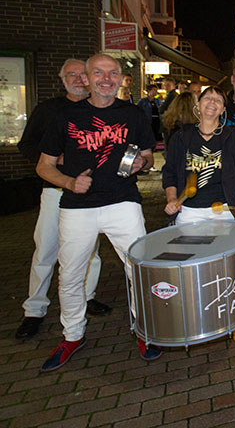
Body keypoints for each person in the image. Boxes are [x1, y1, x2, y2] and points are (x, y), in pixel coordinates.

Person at [37, 53, 159, 371]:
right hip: (78, 207)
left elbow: (149, 157)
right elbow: (44, 166)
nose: (106, 79)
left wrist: (142, 163)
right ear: (86, 78)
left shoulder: (133, 114)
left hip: (123, 202)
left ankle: (146, 331)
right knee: (71, 275)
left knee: (140, 269)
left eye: (113, 73)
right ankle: (72, 336)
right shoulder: (65, 115)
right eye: (99, 73)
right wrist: (69, 182)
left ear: (120, 78)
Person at [15, 59, 110, 341]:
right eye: (72, 75)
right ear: (62, 79)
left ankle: (87, 296)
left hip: (92, 191)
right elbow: (26, 144)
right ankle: (34, 310)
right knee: (46, 248)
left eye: (82, 74)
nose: (78, 79)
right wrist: (53, 160)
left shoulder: (99, 110)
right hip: (55, 189)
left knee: (90, 250)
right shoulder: (48, 110)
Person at [163, 86, 235, 223]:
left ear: (223, 110)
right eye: (207, 98)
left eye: (218, 100)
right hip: (188, 210)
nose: (212, 102)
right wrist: (172, 199)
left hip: (224, 210)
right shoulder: (181, 137)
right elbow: (169, 171)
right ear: (197, 105)